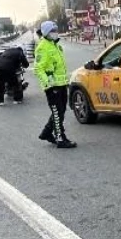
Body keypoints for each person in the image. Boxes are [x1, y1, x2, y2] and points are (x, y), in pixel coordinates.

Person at [34, 21, 76, 149]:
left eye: (56, 30)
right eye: (53, 30)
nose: (55, 32)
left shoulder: (55, 45)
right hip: (52, 87)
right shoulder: (42, 47)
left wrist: (65, 82)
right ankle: (60, 139)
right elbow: (38, 68)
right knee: (58, 113)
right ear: (46, 32)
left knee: (61, 111)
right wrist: (48, 84)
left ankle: (46, 133)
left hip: (61, 84)